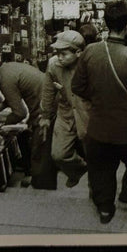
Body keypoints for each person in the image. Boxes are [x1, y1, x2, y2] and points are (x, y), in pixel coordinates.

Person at [71, 0, 127, 225]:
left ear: (106, 23)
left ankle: (105, 209)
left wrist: (99, 97)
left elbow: (77, 87)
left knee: (101, 171)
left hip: (98, 127)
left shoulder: (90, 51)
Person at [38, 31, 88, 188]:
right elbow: (47, 91)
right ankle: (78, 170)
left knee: (96, 157)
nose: (59, 57)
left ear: (78, 52)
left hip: (86, 115)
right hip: (65, 114)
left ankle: (96, 190)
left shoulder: (90, 65)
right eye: (57, 53)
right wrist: (45, 115)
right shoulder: (53, 64)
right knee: (58, 155)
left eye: (64, 54)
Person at [0, 60, 45, 187]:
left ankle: (37, 177)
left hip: (43, 103)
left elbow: (20, 113)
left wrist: (2, 125)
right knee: (35, 133)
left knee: (37, 138)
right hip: (44, 96)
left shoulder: (3, 78)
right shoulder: (7, 68)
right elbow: (12, 98)